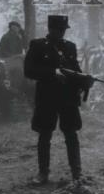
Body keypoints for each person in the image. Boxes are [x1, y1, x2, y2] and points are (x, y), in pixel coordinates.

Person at [23, 14, 88, 184]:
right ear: (50, 29)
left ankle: (77, 173)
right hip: (47, 97)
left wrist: (85, 80)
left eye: (63, 31)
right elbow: (28, 70)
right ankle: (43, 173)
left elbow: (76, 70)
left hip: (68, 98)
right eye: (58, 30)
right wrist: (52, 72)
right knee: (45, 135)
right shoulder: (38, 46)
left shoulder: (70, 47)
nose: (61, 34)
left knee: (71, 134)